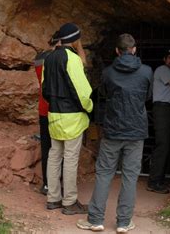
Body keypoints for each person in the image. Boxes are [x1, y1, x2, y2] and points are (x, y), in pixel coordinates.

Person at [77, 33, 153, 233]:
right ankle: (124, 222)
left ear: (117, 51)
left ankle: (95, 220)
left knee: (104, 173)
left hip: (112, 130)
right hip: (136, 131)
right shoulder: (146, 72)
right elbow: (148, 96)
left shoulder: (109, 72)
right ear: (134, 49)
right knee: (130, 176)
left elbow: (104, 93)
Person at [42, 22, 93, 215]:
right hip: (72, 116)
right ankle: (69, 202)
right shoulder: (72, 59)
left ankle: (53, 198)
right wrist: (89, 107)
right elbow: (82, 91)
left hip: (54, 114)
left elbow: (45, 89)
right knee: (70, 158)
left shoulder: (49, 58)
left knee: (54, 156)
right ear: (75, 39)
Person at [147, 48, 170, 194]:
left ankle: (161, 179)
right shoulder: (163, 69)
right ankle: (154, 182)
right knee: (163, 144)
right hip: (163, 109)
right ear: (164, 59)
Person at [34, 31, 60, 195]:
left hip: (43, 107)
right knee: (59, 149)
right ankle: (56, 183)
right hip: (57, 108)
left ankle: (47, 184)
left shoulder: (39, 58)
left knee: (46, 147)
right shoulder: (56, 59)